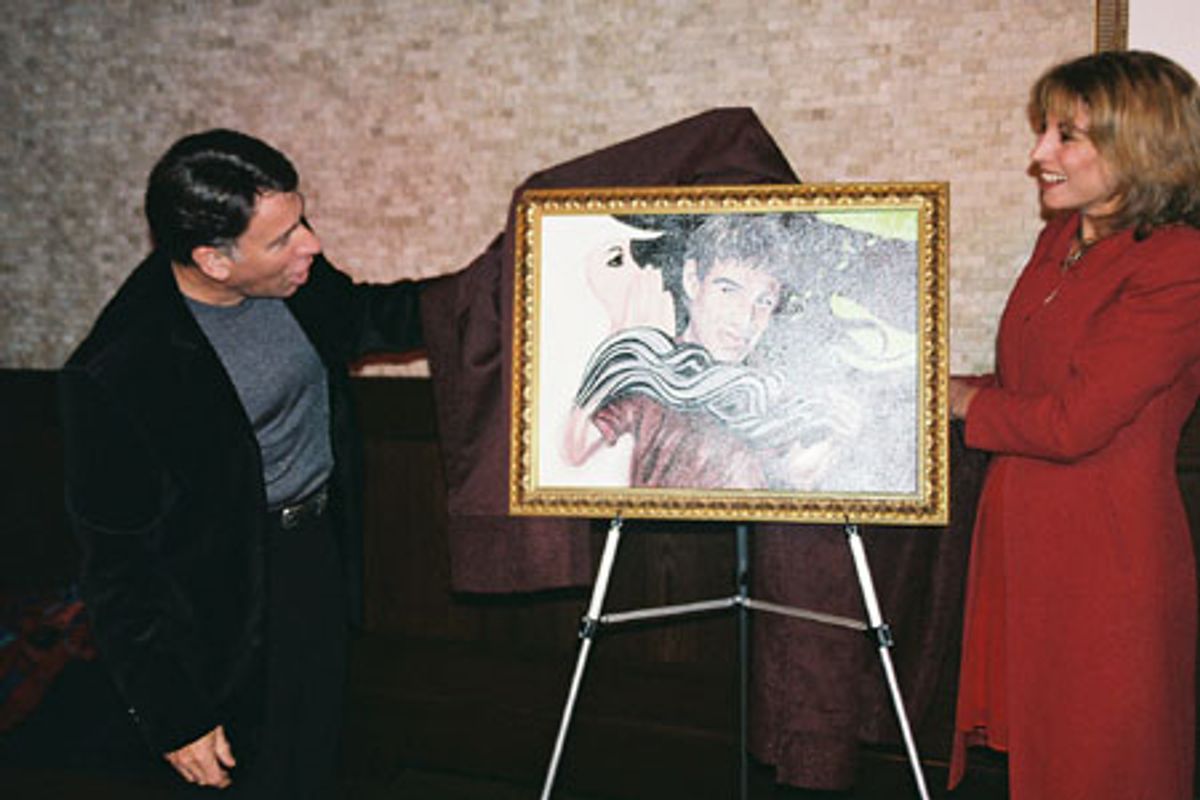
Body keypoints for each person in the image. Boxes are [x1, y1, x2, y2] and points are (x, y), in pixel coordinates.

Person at [58, 129, 424, 797]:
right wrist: (171, 716)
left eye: (301, 221)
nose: (309, 244)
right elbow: (115, 569)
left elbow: (368, 317)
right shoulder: (118, 373)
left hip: (315, 552)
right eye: (283, 237)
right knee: (256, 774)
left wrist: (507, 286)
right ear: (213, 260)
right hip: (218, 605)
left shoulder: (294, 276)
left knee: (316, 753)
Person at [948, 50, 1200, 798]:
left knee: (1103, 764)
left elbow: (1074, 422)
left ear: (1139, 146)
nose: (1039, 156)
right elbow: (1033, 384)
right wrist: (937, 383)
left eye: (1066, 136)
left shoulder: (1181, 265)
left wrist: (962, 405)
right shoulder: (1059, 240)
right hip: (1025, 541)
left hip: (1104, 560)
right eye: (1044, 133)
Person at [562, 213, 858, 490]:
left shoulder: (766, 390)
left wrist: (839, 430)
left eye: (764, 302)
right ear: (693, 280)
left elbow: (799, 473)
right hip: (660, 538)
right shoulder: (649, 372)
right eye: (728, 291)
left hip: (750, 535)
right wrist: (619, 339)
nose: (745, 318)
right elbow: (574, 451)